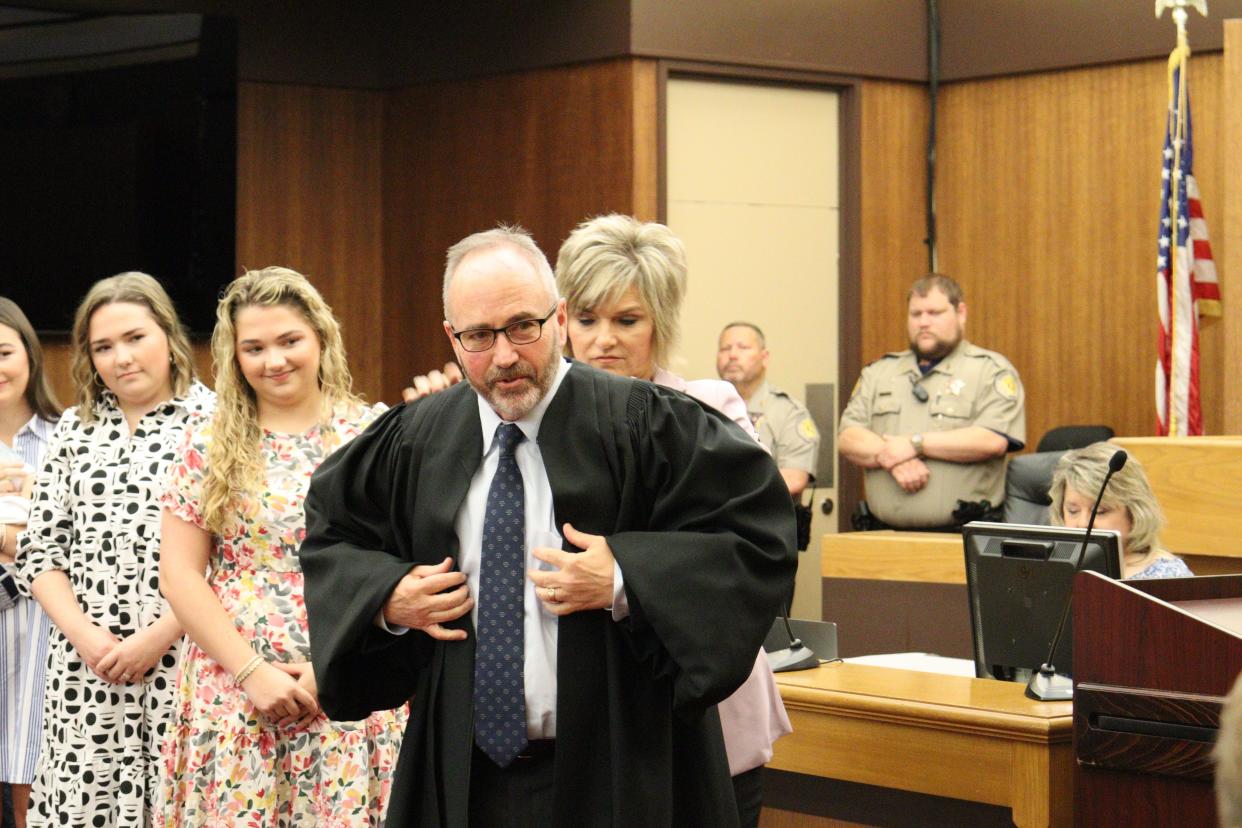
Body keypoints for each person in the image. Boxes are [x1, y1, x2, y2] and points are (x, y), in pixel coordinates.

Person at [299, 226, 796, 827]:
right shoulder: (415, 439)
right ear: (452, 338)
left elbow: (756, 536)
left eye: (521, 327)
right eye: (480, 336)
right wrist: (387, 596)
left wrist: (626, 577)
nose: (504, 355)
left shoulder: (648, 426)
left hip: (619, 767)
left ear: (558, 318)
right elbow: (333, 536)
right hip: (466, 774)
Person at [555, 215, 790, 828]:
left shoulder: (707, 410)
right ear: (562, 324)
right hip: (587, 717)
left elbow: (741, 550)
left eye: (626, 320)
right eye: (587, 319)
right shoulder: (534, 421)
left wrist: (623, 572)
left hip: (704, 703)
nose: (604, 339)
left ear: (660, 322)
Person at [156, 268, 406, 825]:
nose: (275, 361)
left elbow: (397, 566)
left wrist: (330, 665)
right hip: (234, 695)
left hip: (348, 689)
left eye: (289, 340)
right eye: (255, 347)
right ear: (234, 356)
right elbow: (179, 575)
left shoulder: (373, 436)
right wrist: (252, 673)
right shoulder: (207, 441)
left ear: (320, 336)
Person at [13, 272, 214, 827]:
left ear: (168, 337)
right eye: (103, 346)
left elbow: (230, 556)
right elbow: (40, 551)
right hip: (86, 674)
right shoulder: (74, 433)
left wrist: (155, 638)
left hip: (187, 662)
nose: (121, 358)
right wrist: (89, 639)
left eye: (134, 338)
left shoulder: (218, 424)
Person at [838, 273, 1025, 530]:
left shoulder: (990, 371)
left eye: (934, 313)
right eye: (916, 314)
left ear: (961, 313)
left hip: (961, 537)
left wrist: (916, 445)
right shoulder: (879, 372)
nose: (923, 322)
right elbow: (848, 437)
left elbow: (992, 440)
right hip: (883, 536)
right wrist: (893, 456)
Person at [0, 298, 60, 828]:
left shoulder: (71, 438)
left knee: (33, 801)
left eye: (2, 351)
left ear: (30, 354)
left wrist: (10, 540)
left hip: (45, 639)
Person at [1048, 442, 1193, 580]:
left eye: (1099, 511)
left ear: (1134, 513)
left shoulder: (1168, 575)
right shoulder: (1054, 569)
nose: (1082, 523)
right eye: (1073, 511)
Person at [717, 321, 819, 498]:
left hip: (767, 520)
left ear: (764, 357)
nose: (732, 355)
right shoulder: (701, 406)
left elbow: (794, 479)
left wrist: (728, 496)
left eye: (743, 347)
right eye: (725, 348)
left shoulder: (788, 412)